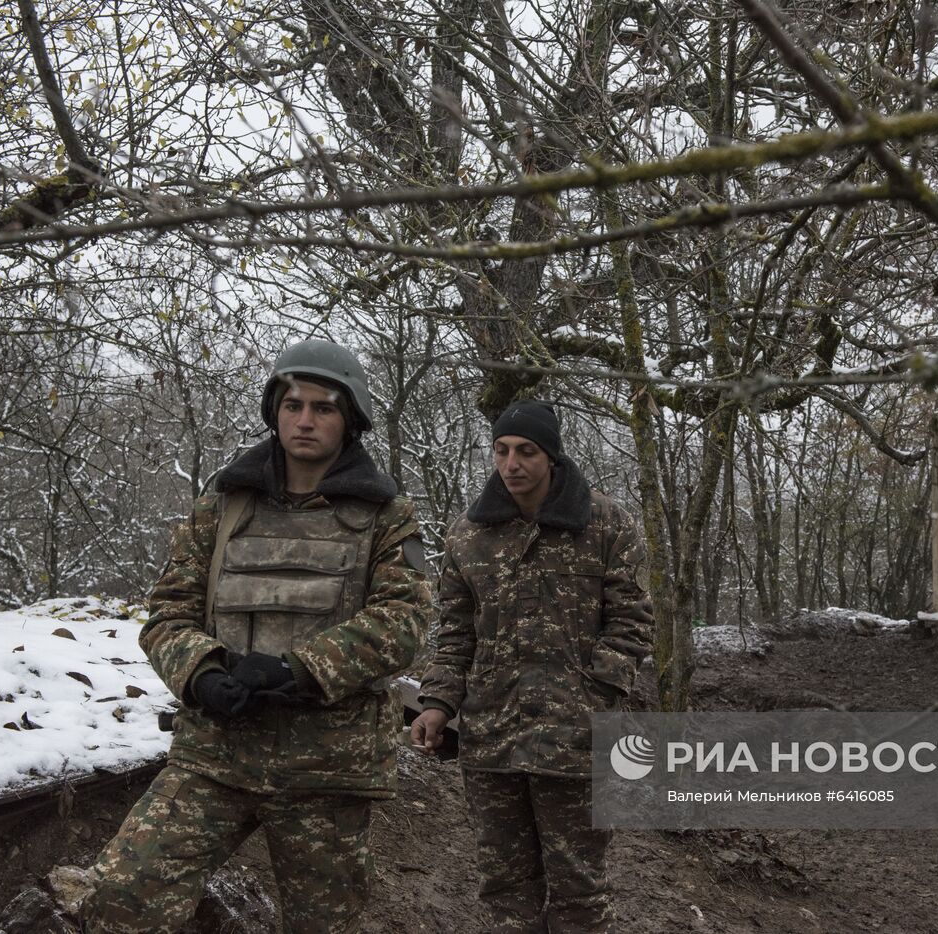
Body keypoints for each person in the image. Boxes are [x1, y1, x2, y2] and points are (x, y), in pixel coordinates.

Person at [84, 339, 434, 934]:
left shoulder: (385, 514)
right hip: (216, 754)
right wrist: (202, 673)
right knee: (125, 896)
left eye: (324, 408)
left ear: (349, 419)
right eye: (293, 404)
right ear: (274, 409)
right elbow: (168, 611)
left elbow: (403, 620)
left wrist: (297, 668)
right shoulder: (221, 506)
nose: (305, 420)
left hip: (327, 766)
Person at [411, 399, 654, 933]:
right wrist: (436, 703)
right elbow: (454, 633)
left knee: (579, 892)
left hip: (576, 742)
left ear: (551, 456)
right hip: (491, 741)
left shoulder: (605, 523)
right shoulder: (468, 535)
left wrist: (597, 695)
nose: (511, 463)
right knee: (505, 889)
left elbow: (632, 621)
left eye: (526, 451)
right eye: (501, 450)